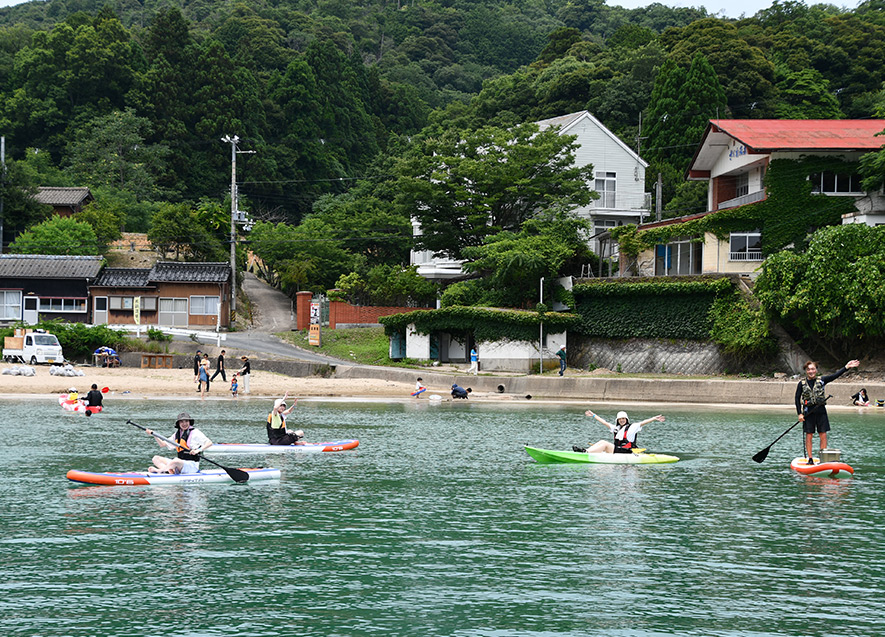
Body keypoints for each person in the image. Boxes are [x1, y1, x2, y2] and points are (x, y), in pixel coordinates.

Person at [796, 359, 860, 464]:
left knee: (823, 435)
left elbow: (835, 375)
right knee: (809, 435)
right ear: (806, 371)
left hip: (821, 411)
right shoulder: (801, 384)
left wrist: (846, 367)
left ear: (816, 370)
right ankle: (810, 459)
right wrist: (799, 413)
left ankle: (823, 459)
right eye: (808, 369)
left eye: (813, 369)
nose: (811, 371)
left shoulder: (822, 380)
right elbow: (797, 398)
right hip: (808, 412)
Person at [146, 412, 212, 474]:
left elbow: (209, 443)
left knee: (175, 460)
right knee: (156, 458)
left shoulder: (195, 432)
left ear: (189, 422)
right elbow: (162, 444)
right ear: (179, 423)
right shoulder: (177, 434)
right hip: (179, 464)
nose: (184, 424)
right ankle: (168, 470)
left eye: (186, 421)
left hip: (192, 466)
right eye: (182, 422)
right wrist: (154, 435)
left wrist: (198, 450)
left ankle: (160, 471)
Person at [573, 410, 665, 454]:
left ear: (626, 419)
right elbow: (604, 422)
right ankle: (587, 451)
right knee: (602, 441)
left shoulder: (632, 427)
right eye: (620, 419)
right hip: (618, 450)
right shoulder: (616, 428)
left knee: (605, 444)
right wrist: (593, 415)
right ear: (617, 420)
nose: (622, 420)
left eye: (623, 419)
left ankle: (586, 452)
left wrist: (654, 418)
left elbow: (643, 423)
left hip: (627, 451)